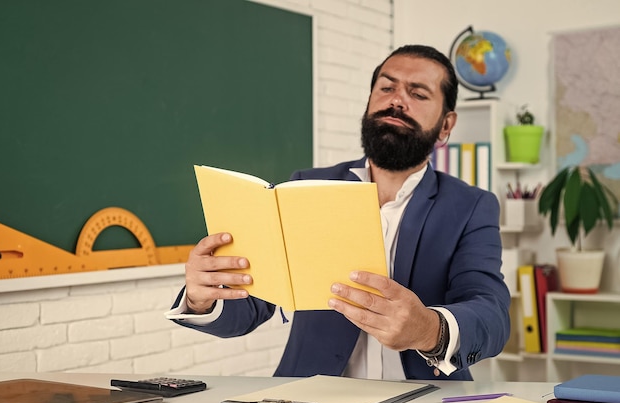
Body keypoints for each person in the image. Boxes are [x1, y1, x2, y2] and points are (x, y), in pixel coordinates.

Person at [165, 44, 511, 380]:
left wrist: (427, 329)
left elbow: (491, 314)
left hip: (426, 402)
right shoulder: (305, 187)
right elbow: (254, 305)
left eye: (418, 94)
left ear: (446, 125)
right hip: (310, 399)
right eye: (386, 87)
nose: (396, 100)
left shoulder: (472, 206)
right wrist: (201, 299)